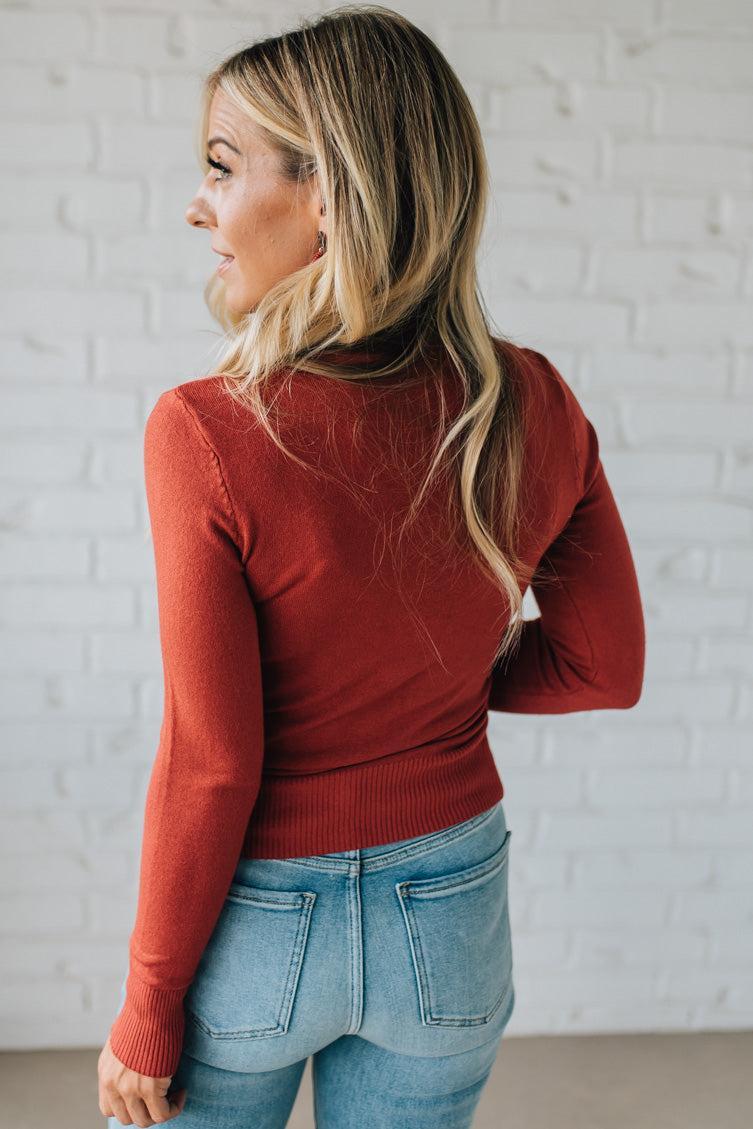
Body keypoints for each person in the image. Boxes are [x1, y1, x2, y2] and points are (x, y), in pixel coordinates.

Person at [97, 6, 645, 1127]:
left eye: (223, 167)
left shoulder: (205, 431)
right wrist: (429, 670)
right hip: (447, 910)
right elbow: (605, 666)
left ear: (329, 200)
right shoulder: (531, 398)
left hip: (259, 923)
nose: (200, 205)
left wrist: (147, 1005)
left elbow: (211, 763)